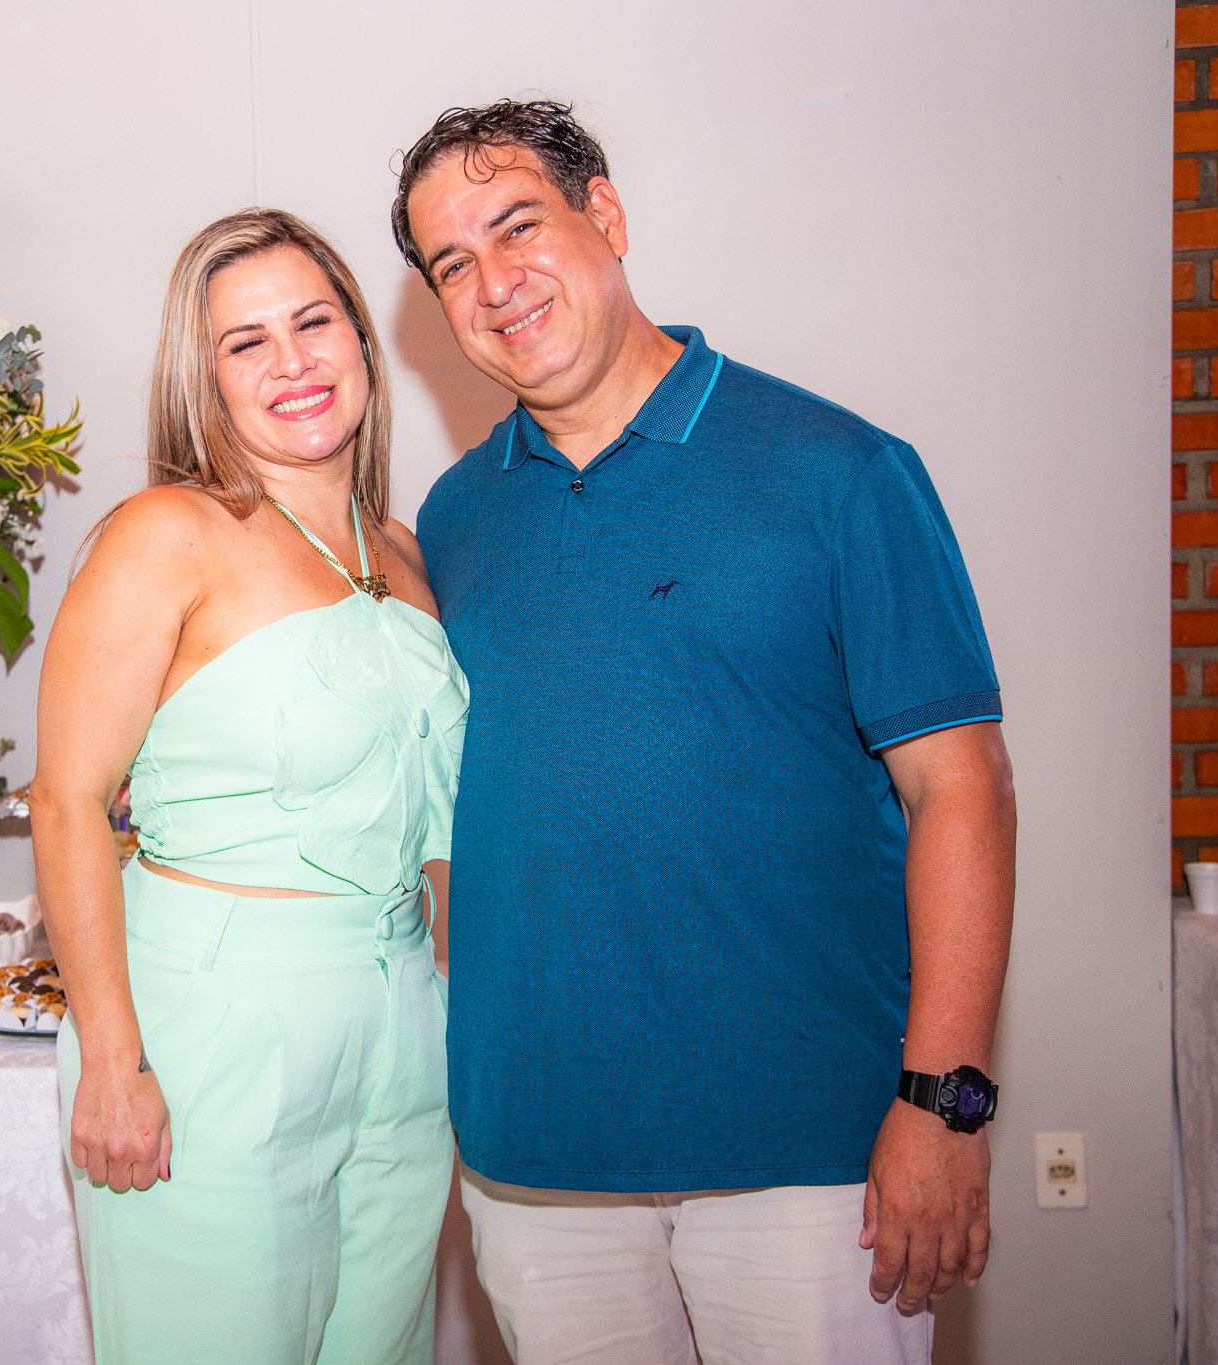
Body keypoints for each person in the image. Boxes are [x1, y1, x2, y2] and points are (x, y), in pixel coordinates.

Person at [392, 101, 1016, 1364]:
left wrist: (944, 1106)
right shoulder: (453, 519)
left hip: (809, 1158)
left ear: (605, 215)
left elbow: (961, 792)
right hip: (534, 1159)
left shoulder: (839, 471)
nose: (493, 283)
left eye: (517, 228)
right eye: (451, 264)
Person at [30, 208, 468, 1365]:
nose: (292, 362)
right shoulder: (165, 534)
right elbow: (66, 801)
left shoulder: (403, 553)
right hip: (213, 1027)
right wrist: (112, 1059)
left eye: (313, 322)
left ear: (362, 339)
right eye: (246, 341)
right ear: (206, 379)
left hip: (402, 1024)